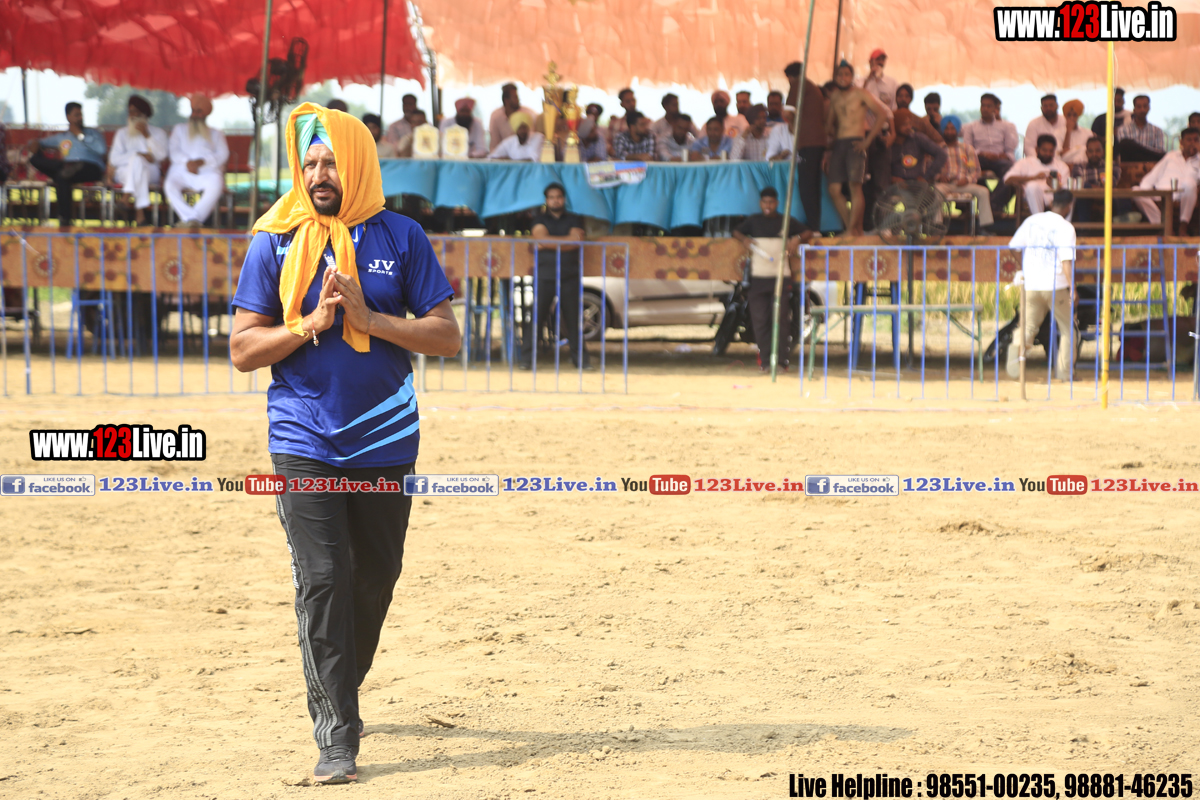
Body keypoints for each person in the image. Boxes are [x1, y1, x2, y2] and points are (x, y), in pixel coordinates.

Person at [230, 103, 460, 785]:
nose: (318, 176)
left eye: (330, 162)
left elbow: (446, 335)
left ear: (356, 163)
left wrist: (368, 317)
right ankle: (337, 733)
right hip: (302, 436)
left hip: (386, 436)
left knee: (374, 577)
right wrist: (309, 323)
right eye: (309, 164)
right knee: (323, 578)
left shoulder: (401, 235)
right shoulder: (274, 240)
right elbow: (243, 350)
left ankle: (340, 686)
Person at [732, 187, 813, 371]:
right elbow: (735, 231)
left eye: (771, 202)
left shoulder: (786, 221)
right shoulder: (753, 221)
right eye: (764, 202)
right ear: (760, 203)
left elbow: (808, 232)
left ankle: (782, 361)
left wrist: (796, 238)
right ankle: (766, 362)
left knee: (781, 320)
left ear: (776, 203)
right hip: (757, 279)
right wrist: (744, 240)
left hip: (781, 279)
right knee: (760, 321)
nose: (768, 205)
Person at [1006, 189, 1076, 381]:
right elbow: (1066, 261)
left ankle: (1015, 360)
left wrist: (1025, 266)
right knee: (1068, 330)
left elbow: (1013, 246)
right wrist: (1073, 288)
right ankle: (1064, 373)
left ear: (1052, 202)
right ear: (1069, 206)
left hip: (1032, 283)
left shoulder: (1032, 221)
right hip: (1055, 285)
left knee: (1028, 327)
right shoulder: (1066, 227)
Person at [520, 183, 589, 370]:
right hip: (545, 275)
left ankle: (581, 362)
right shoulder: (539, 219)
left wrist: (549, 242)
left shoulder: (574, 218)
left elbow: (576, 241)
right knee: (536, 318)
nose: (555, 200)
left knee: (574, 320)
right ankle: (526, 361)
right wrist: (567, 242)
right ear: (546, 200)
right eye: (551, 197)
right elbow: (541, 239)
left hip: (569, 275)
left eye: (558, 197)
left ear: (563, 199)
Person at [824, 61, 889, 236]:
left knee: (855, 185)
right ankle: (851, 229)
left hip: (856, 143)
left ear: (851, 77)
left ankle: (852, 230)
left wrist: (867, 141)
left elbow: (882, 114)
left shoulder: (861, 93)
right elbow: (828, 125)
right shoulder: (834, 97)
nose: (843, 77)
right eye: (840, 74)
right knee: (834, 189)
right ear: (835, 77)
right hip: (839, 144)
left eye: (846, 74)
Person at [27, 101, 107, 227]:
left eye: (81, 115)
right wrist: (34, 144)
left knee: (62, 175)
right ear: (68, 117)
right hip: (69, 169)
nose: (80, 118)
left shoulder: (93, 133)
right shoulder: (62, 137)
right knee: (37, 161)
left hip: (90, 167)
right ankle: (64, 220)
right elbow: (37, 142)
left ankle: (64, 219)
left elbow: (101, 150)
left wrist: (80, 135)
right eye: (76, 115)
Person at [164, 95, 229, 227]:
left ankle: (189, 220)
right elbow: (173, 150)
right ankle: (192, 220)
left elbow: (223, 154)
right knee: (169, 185)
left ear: (205, 114)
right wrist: (187, 162)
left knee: (217, 183)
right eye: (193, 111)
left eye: (199, 112)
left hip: (206, 171)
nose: (195, 115)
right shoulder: (179, 129)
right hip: (182, 170)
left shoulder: (216, 133)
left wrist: (203, 161)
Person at [107, 95, 169, 225]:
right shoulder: (122, 133)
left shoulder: (158, 133)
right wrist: (138, 155)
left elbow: (162, 155)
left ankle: (126, 197)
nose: (132, 115)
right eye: (130, 112)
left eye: (136, 112)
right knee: (138, 162)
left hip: (151, 172)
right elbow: (114, 159)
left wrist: (147, 136)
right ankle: (139, 214)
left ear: (144, 114)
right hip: (124, 173)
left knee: (139, 165)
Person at [782, 61, 829, 230]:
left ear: (790, 77)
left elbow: (787, 112)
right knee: (814, 185)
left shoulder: (798, 85)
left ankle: (813, 227)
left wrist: (792, 124)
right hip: (818, 141)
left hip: (808, 142)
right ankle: (815, 225)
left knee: (806, 186)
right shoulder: (813, 88)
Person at [1132, 127, 1200, 228]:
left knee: (1190, 183)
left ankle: (1183, 226)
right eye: (1189, 140)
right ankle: (1162, 224)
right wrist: (1145, 191)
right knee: (1135, 190)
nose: (1193, 143)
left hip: (1183, 195)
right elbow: (1152, 176)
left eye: (1196, 140)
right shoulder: (1171, 156)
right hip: (1161, 193)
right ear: (1181, 142)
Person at [857, 49, 896, 226]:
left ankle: (884, 224)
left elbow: (891, 110)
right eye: (876, 60)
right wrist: (869, 78)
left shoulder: (891, 83)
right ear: (870, 61)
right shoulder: (859, 81)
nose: (879, 63)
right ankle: (863, 224)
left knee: (882, 181)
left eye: (882, 60)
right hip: (863, 134)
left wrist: (892, 134)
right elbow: (857, 99)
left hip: (882, 135)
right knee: (862, 181)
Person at [935, 115, 994, 230]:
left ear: (957, 130)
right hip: (944, 185)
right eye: (947, 128)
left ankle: (984, 228)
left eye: (952, 128)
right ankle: (937, 228)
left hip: (963, 184)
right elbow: (929, 169)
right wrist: (939, 177)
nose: (949, 132)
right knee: (936, 192)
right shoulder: (937, 149)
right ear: (942, 130)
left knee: (983, 191)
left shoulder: (967, 149)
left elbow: (976, 171)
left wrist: (967, 179)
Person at [962, 93, 1018, 213]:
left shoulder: (1005, 126)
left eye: (989, 106)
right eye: (983, 105)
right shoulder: (971, 127)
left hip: (998, 159)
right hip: (978, 158)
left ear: (995, 108)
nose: (985, 109)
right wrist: (983, 153)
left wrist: (1002, 155)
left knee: (1011, 171)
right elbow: (967, 148)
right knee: (967, 168)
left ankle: (992, 204)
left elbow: (1009, 149)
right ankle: (992, 206)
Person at [1005, 134, 1071, 216]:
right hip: (1033, 196)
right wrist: (1034, 177)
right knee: (1032, 186)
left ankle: (1065, 222)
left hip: (1054, 196)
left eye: (1051, 151)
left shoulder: (1062, 166)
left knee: (1072, 188)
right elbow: (1008, 179)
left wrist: (1055, 185)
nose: (1048, 154)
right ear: (1037, 149)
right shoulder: (1026, 162)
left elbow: (1067, 188)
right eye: (1044, 150)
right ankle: (1039, 220)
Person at [1071, 137, 1126, 223]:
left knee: (1121, 196)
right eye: (1091, 151)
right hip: (1087, 195)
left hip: (1108, 194)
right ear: (1086, 153)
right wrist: (1097, 189)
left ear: (1103, 152)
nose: (1094, 154)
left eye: (1097, 151)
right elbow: (1079, 183)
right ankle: (1084, 229)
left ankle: (1121, 225)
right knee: (1082, 196)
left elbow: (1112, 183)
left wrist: (1094, 188)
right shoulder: (1079, 166)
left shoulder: (1112, 165)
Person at [889, 109, 947, 183]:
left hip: (917, 185)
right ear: (896, 125)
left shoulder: (917, 138)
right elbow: (882, 168)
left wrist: (926, 177)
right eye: (904, 124)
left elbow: (941, 154)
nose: (909, 127)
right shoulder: (889, 142)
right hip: (895, 186)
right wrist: (891, 178)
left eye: (910, 123)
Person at [1116, 95, 1166, 162]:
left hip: (1152, 166)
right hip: (1130, 166)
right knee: (1126, 143)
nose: (1142, 110)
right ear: (1134, 109)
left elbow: (1160, 155)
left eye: (1145, 106)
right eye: (1139, 107)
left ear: (1149, 108)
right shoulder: (1123, 130)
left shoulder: (1157, 131)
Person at [489, 83, 535, 149]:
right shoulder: (496, 117)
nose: (518, 100)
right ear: (506, 100)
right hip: (504, 153)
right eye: (515, 97)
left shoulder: (527, 114)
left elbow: (532, 139)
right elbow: (494, 144)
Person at [1057, 99, 1092, 166]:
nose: (1072, 118)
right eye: (1069, 115)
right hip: (1064, 166)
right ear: (1065, 116)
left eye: (1074, 115)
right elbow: (1062, 155)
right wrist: (1068, 132)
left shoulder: (1088, 133)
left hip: (1084, 166)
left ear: (1078, 116)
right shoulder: (1057, 133)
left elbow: (1090, 152)